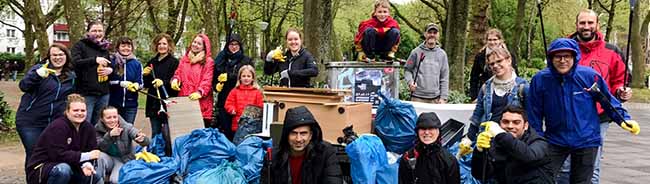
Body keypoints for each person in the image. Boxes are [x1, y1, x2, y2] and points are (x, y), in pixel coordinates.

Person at [526, 38, 640, 184]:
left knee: (582, 181)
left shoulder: (589, 76)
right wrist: (537, 138)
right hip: (555, 139)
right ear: (551, 58)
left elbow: (607, 100)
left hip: (586, 139)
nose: (562, 60)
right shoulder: (540, 80)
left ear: (574, 57)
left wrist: (624, 119)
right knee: (542, 178)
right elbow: (534, 111)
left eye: (567, 56)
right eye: (557, 56)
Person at [560, 9, 632, 184]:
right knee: (564, 167)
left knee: (591, 166)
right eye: (582, 23)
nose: (586, 27)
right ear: (576, 25)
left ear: (597, 25)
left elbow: (619, 80)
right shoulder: (564, 49)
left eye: (590, 23)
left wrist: (621, 91)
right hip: (567, 115)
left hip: (598, 117)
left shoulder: (611, 51)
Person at [16, 43, 76, 168]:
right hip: (30, 121)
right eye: (54, 55)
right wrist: (36, 75)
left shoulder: (71, 76)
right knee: (34, 153)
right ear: (49, 57)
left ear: (66, 56)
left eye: (61, 54)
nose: (57, 57)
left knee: (52, 154)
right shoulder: (39, 69)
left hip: (54, 123)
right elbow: (23, 86)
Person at [26, 94, 100, 184]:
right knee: (63, 170)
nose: (80, 113)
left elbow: (92, 151)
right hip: (44, 167)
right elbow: (58, 155)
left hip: (72, 165)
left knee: (94, 176)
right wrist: (86, 156)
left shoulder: (89, 128)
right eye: (75, 110)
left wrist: (86, 164)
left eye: (83, 110)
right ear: (67, 112)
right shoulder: (58, 126)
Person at [471, 105, 553, 184]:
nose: (510, 126)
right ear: (500, 124)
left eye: (516, 122)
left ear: (525, 126)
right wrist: (479, 152)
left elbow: (528, 156)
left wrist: (501, 134)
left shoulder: (539, 142)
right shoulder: (497, 143)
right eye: (505, 122)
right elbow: (480, 174)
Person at [467, 47, 528, 141]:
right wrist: (468, 139)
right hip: (488, 140)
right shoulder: (485, 88)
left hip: (514, 140)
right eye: (492, 64)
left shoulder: (523, 87)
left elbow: (531, 117)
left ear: (509, 60)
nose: (495, 65)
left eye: (499, 61)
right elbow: (477, 115)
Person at [271, 106, 342, 184]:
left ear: (311, 135)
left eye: (303, 133)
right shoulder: (273, 156)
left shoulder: (325, 153)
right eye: (293, 133)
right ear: (286, 135)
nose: (298, 139)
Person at [71, 20, 113, 125]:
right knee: (84, 124)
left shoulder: (105, 48)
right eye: (94, 30)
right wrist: (94, 60)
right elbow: (74, 63)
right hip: (86, 94)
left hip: (103, 93)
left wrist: (110, 70)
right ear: (88, 32)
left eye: (100, 31)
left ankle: (95, 142)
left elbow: (110, 65)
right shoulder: (80, 45)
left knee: (99, 125)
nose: (97, 33)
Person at [399, 112, 459, 184]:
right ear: (417, 132)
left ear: (438, 131)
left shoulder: (449, 160)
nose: (427, 132)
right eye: (423, 128)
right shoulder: (408, 157)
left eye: (431, 128)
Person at [95, 106, 150, 184]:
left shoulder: (126, 126)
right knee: (99, 156)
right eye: (108, 118)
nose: (112, 120)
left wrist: (142, 139)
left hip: (122, 159)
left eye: (115, 117)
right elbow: (99, 147)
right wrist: (109, 136)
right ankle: (98, 181)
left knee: (115, 181)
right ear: (102, 119)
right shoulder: (97, 129)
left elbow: (142, 138)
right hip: (107, 158)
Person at [213, 33, 254, 140]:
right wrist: (216, 86)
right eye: (231, 44)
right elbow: (214, 76)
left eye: (236, 44)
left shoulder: (246, 60)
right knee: (226, 130)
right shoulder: (222, 59)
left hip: (241, 100)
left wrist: (230, 76)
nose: (234, 47)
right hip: (224, 99)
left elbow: (248, 76)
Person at [171, 34, 215, 127]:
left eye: (199, 44)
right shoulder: (184, 59)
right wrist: (175, 80)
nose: (195, 45)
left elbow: (207, 80)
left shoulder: (208, 62)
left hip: (200, 103)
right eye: (194, 42)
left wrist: (200, 92)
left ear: (204, 47)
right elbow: (178, 73)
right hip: (184, 99)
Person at [143, 33, 179, 137]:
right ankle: (155, 151)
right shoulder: (151, 62)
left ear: (169, 46)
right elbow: (146, 84)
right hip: (153, 102)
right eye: (159, 44)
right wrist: (144, 75)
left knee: (168, 133)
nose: (161, 46)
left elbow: (176, 82)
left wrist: (164, 82)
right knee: (155, 132)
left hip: (167, 102)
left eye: (164, 43)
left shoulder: (174, 62)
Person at [404, 23, 449, 104]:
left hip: (436, 99)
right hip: (417, 98)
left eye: (434, 33)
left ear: (438, 35)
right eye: (429, 32)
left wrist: (443, 97)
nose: (432, 35)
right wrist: (410, 82)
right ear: (425, 34)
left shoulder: (442, 54)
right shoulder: (415, 52)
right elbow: (407, 70)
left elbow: (444, 77)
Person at [469, 28, 519, 102]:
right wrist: (474, 97)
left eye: (495, 39)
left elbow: (516, 74)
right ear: (486, 41)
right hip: (486, 94)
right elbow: (474, 78)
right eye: (490, 40)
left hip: (507, 92)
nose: (492, 42)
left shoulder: (509, 55)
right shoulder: (480, 56)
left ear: (500, 40)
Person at [108, 37, 143, 124]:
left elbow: (141, 83)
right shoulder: (111, 61)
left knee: (128, 131)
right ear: (118, 47)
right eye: (123, 46)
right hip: (113, 103)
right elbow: (107, 82)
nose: (126, 48)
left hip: (131, 105)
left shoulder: (137, 64)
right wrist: (120, 83)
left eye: (128, 46)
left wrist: (137, 85)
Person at [224, 65, 264, 139]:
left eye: (248, 76)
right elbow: (228, 103)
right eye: (244, 76)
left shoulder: (257, 92)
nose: (246, 78)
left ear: (253, 78)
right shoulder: (234, 91)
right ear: (240, 78)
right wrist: (232, 110)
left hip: (252, 125)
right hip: (237, 123)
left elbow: (260, 106)